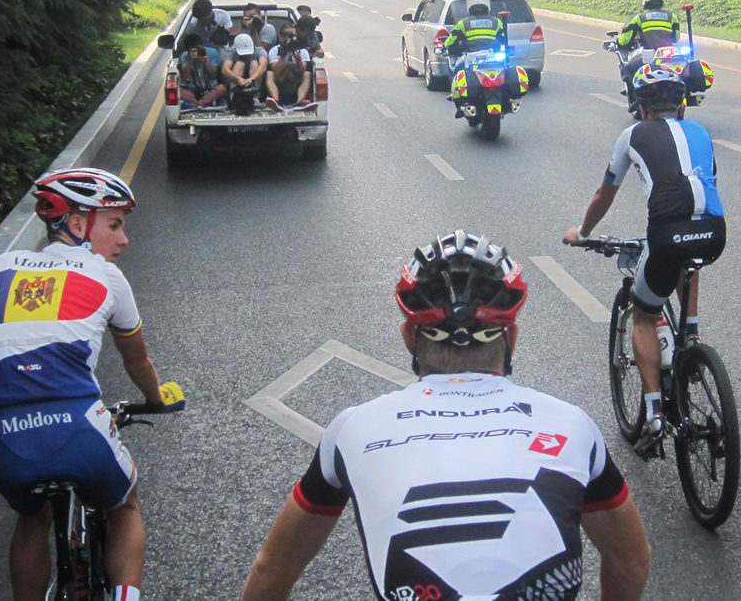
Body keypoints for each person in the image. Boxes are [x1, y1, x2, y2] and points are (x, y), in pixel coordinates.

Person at [240, 230, 652, 601]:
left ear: (408, 337)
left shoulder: (351, 430)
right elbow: (631, 561)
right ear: (511, 336)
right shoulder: (573, 425)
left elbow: (272, 570)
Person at [0, 168, 173, 601]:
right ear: (77, 224)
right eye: (114, 225)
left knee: (31, 519)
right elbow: (138, 360)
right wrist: (157, 399)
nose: (123, 240)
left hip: (5, 441)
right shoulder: (107, 277)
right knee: (125, 505)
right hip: (78, 425)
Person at [562, 67, 726, 450]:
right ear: (681, 103)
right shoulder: (701, 132)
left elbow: (604, 195)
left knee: (644, 315)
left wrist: (583, 233)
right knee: (692, 258)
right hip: (715, 233)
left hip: (666, 235)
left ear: (639, 105)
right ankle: (691, 332)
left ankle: (653, 414)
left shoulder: (630, 135)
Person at [615, 0, 680, 108]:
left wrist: (619, 41)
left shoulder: (639, 18)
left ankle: (634, 98)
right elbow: (676, 38)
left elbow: (625, 40)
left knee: (628, 67)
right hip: (668, 57)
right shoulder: (673, 17)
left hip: (648, 55)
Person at [264, 27, 313, 112]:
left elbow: (302, 71)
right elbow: (276, 71)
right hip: (281, 80)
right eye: (285, 35)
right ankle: (276, 100)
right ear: (280, 37)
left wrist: (298, 61)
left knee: (307, 74)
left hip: (295, 81)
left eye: (292, 36)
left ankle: (300, 101)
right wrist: (283, 56)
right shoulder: (275, 51)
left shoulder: (302, 50)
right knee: (269, 74)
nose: (288, 39)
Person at [177, 32, 227, 110]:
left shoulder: (212, 52)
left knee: (222, 88)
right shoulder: (185, 56)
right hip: (193, 90)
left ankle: (198, 104)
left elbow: (214, 75)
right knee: (178, 90)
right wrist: (190, 60)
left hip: (210, 88)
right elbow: (185, 76)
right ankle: (202, 104)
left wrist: (206, 61)